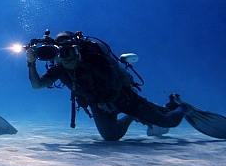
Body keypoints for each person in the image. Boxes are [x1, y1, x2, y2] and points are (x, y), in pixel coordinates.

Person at [25, 30, 187, 141]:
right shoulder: (59, 69)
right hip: (99, 105)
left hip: (123, 98)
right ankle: (132, 116)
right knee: (111, 137)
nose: (65, 55)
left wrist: (85, 64)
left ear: (76, 46)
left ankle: (181, 106)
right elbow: (37, 85)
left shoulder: (93, 57)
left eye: (68, 49)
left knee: (168, 122)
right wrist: (31, 64)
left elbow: (116, 80)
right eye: (59, 51)